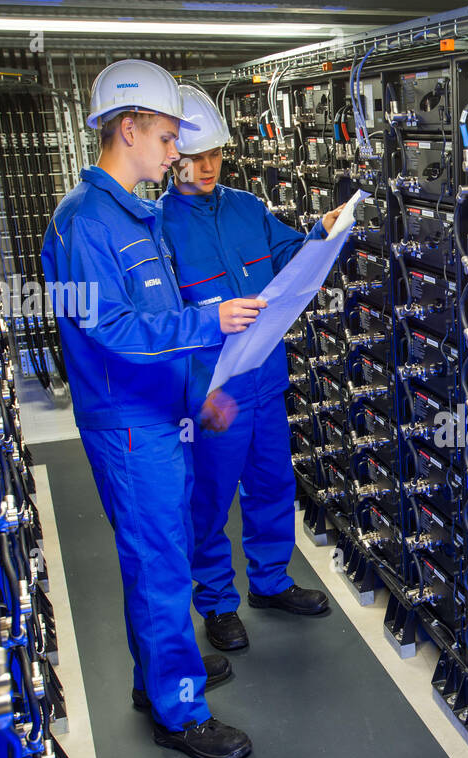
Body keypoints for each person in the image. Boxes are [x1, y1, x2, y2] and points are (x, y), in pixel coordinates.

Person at [40, 60, 261, 758]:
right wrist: (210, 320)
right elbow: (112, 329)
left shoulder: (137, 213)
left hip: (165, 416)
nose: (176, 155)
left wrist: (203, 392)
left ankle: (154, 679)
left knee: (157, 556)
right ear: (127, 129)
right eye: (167, 139)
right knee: (160, 563)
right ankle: (180, 710)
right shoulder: (85, 224)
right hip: (129, 427)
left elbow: (157, 317)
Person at [160, 84, 345, 651]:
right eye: (196, 156)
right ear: (173, 158)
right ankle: (216, 602)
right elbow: (164, 318)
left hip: (266, 376)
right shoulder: (161, 226)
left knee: (272, 484)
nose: (209, 165)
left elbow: (290, 258)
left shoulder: (246, 207)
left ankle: (269, 581)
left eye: (216, 153)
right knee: (211, 497)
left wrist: (321, 230)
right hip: (214, 391)